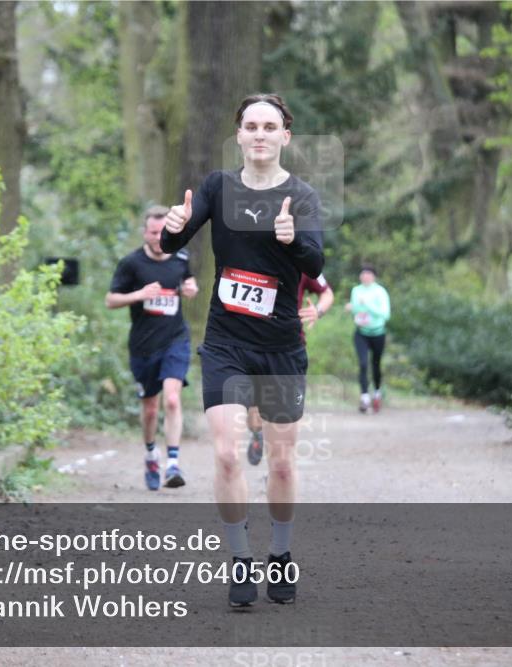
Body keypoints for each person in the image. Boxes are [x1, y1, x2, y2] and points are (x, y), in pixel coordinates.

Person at [160, 93, 323, 607]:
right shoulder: (218, 186)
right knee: (228, 454)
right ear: (239, 135)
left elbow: (315, 265)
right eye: (250, 125)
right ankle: (240, 561)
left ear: (284, 137)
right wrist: (171, 230)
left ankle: (279, 555)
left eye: (268, 126)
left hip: (279, 346)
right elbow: (172, 246)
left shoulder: (302, 196)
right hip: (227, 340)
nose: (259, 134)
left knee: (279, 463)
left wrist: (293, 238)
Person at [106, 206, 198, 491]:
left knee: (172, 400)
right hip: (144, 346)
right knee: (150, 409)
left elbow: (188, 283)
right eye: (154, 232)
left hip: (176, 340)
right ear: (145, 233)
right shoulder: (131, 264)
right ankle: (150, 455)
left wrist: (191, 288)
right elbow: (110, 300)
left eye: (164, 232)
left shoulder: (182, 257)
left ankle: (173, 463)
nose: (159, 237)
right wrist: (139, 295)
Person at [246, 272, 334, 465]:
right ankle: (257, 435)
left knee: (283, 416)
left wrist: (317, 311)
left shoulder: (301, 259)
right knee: (254, 411)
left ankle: (278, 465)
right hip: (252, 344)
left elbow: (327, 293)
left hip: (288, 349)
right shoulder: (252, 253)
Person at [345, 264, 390, 413]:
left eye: (368, 274)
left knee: (375, 365)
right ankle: (364, 396)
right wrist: (352, 308)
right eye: (363, 274)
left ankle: (377, 392)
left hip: (378, 333)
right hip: (361, 333)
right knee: (363, 364)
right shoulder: (356, 290)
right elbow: (356, 311)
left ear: (373, 276)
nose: (365, 277)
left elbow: (385, 314)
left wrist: (367, 304)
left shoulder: (380, 291)